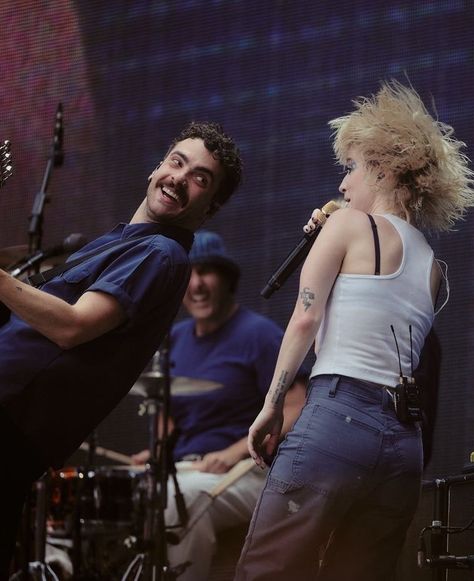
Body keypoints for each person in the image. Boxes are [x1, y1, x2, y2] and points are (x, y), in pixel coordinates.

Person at [235, 80, 474, 581]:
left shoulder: (347, 226)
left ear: (382, 168)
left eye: (351, 168)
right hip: (404, 447)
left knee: (268, 572)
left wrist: (272, 405)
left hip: (338, 421)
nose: (343, 185)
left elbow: (306, 319)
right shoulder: (434, 266)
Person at [0, 121, 242, 578]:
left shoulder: (161, 253)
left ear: (209, 209)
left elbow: (72, 326)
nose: (179, 177)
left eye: (200, 179)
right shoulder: (120, 241)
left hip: (11, 424)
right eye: (177, 162)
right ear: (156, 168)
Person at [132, 229, 307, 581]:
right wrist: (156, 451)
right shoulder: (175, 340)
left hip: (246, 473)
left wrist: (234, 452)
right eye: (187, 276)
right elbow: (167, 412)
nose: (196, 284)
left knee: (179, 502)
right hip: (186, 469)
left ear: (227, 279)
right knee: (105, 493)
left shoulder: (259, 335)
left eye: (206, 272)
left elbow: (297, 406)